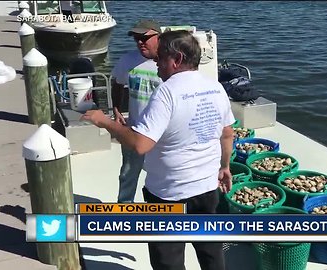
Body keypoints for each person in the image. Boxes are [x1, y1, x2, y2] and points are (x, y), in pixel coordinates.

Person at [82, 30, 234, 270]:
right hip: (207, 188)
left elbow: (141, 144)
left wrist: (105, 121)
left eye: (160, 57)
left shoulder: (166, 92)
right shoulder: (215, 87)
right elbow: (227, 133)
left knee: (168, 262)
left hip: (168, 194)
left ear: (177, 60)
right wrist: (225, 167)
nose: (156, 63)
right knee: (210, 252)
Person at [110, 19, 162, 203]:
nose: (140, 42)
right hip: (135, 131)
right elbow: (117, 83)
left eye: (144, 38)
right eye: (136, 38)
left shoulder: (170, 63)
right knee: (128, 174)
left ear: (159, 37)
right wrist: (116, 108)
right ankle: (125, 211)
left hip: (163, 136)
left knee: (161, 178)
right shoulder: (128, 60)